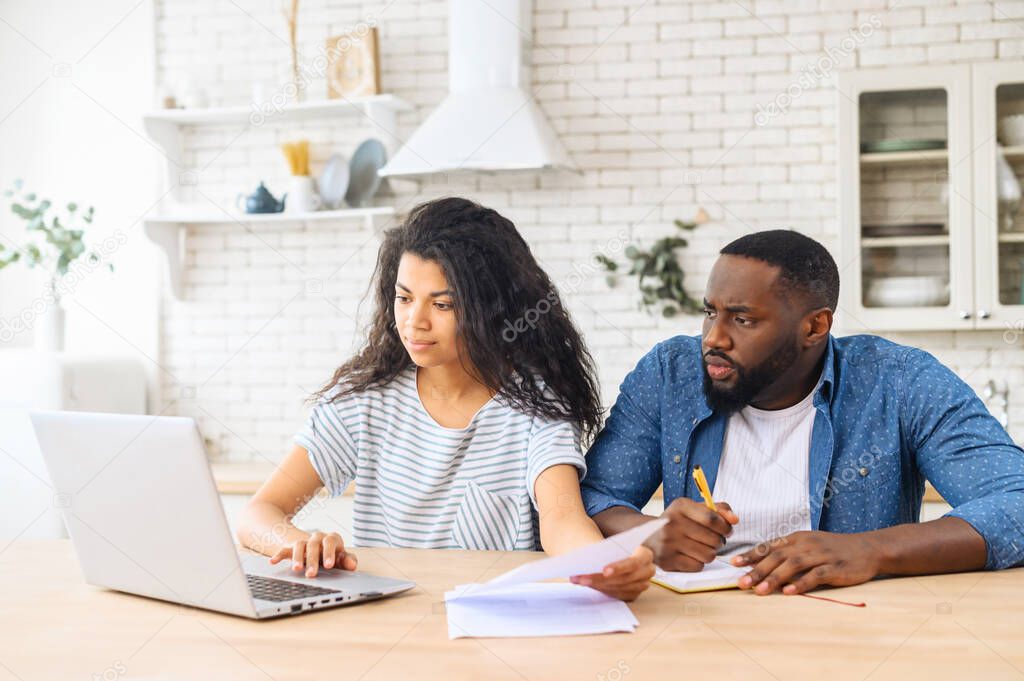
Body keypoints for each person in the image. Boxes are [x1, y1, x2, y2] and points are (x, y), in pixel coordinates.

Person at [237, 197, 654, 601]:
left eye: (442, 304)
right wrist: (298, 543)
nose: (414, 321)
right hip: (384, 622)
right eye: (403, 298)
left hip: (491, 623)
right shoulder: (365, 403)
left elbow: (562, 518)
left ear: (491, 310)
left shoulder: (536, 407)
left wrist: (601, 565)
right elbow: (261, 512)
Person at [581, 229, 1024, 596]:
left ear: (815, 326)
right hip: (699, 620)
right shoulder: (668, 374)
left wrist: (869, 550)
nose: (713, 338)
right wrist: (647, 531)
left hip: (850, 627)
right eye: (710, 313)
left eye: (743, 319)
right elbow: (586, 498)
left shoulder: (900, 381)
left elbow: (1016, 503)